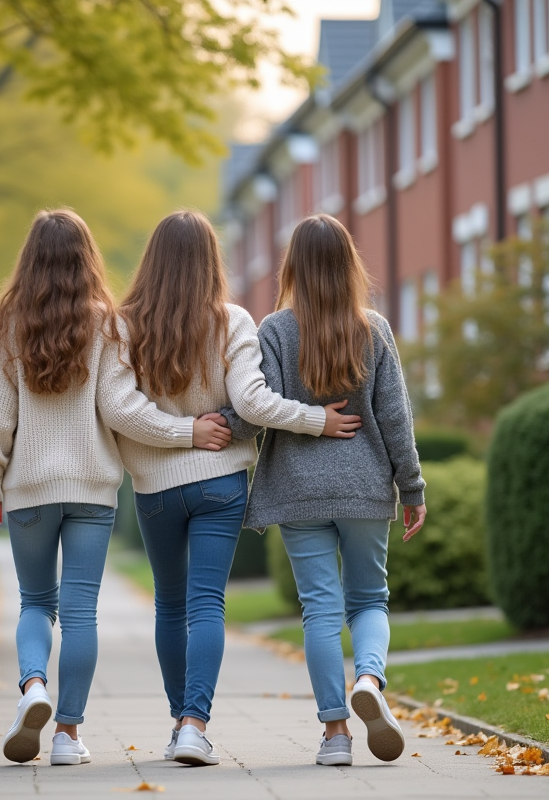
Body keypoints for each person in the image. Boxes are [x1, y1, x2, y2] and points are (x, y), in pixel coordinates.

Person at [0, 209, 233, 767]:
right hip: (92, 491)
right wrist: (189, 430)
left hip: (29, 490)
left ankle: (34, 685)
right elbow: (120, 409)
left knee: (36, 603)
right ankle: (67, 735)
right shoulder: (107, 325)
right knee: (81, 611)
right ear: (88, 257)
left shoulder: (8, 327)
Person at [117, 210, 362, 766]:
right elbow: (252, 404)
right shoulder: (232, 321)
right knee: (206, 604)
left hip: (155, 486)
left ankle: (179, 719)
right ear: (212, 261)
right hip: (220, 482)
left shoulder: (124, 326)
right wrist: (316, 418)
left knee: (169, 604)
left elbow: (121, 410)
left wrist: (176, 434)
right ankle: (194, 726)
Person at [225, 214, 427, 767]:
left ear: (291, 267)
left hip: (298, 491)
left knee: (319, 609)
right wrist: (411, 487)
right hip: (363, 487)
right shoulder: (374, 329)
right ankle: (369, 677)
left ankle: (335, 734)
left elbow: (253, 410)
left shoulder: (274, 331)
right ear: (349, 265)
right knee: (369, 600)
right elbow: (394, 418)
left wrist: (210, 424)